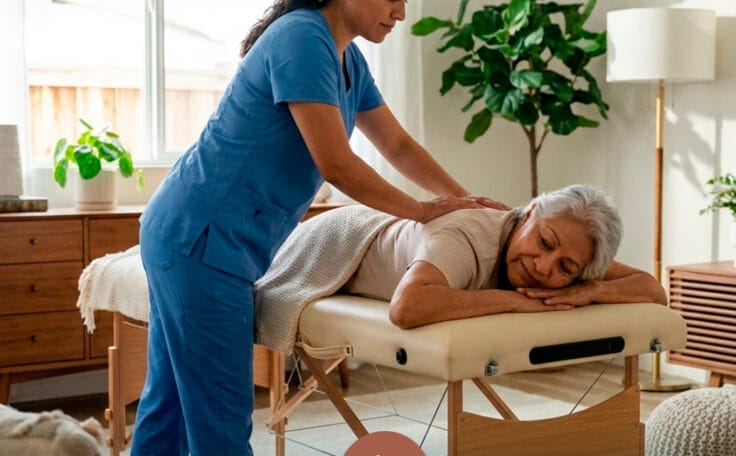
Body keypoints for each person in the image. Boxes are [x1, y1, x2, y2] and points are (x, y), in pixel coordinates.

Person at [132, 0, 507, 454]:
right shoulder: (301, 38)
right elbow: (337, 165)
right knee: (221, 424)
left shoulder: (347, 55)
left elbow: (398, 145)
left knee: (168, 408)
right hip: (201, 239)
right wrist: (422, 211)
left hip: (194, 236)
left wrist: (466, 203)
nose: (401, 12)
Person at [254, 184, 667, 352]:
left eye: (566, 268)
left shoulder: (575, 253)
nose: (544, 268)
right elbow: (407, 308)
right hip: (339, 237)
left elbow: (651, 289)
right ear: (530, 213)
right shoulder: (467, 235)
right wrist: (513, 302)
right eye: (544, 243)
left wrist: (590, 290)